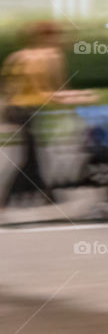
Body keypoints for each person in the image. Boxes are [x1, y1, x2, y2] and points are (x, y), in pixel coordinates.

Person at [0, 21, 66, 210]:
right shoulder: (51, 56)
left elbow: (7, 86)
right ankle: (9, 197)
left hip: (15, 109)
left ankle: (46, 193)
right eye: (56, 35)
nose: (60, 40)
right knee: (31, 156)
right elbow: (53, 89)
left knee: (33, 154)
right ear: (47, 37)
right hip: (27, 109)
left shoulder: (17, 56)